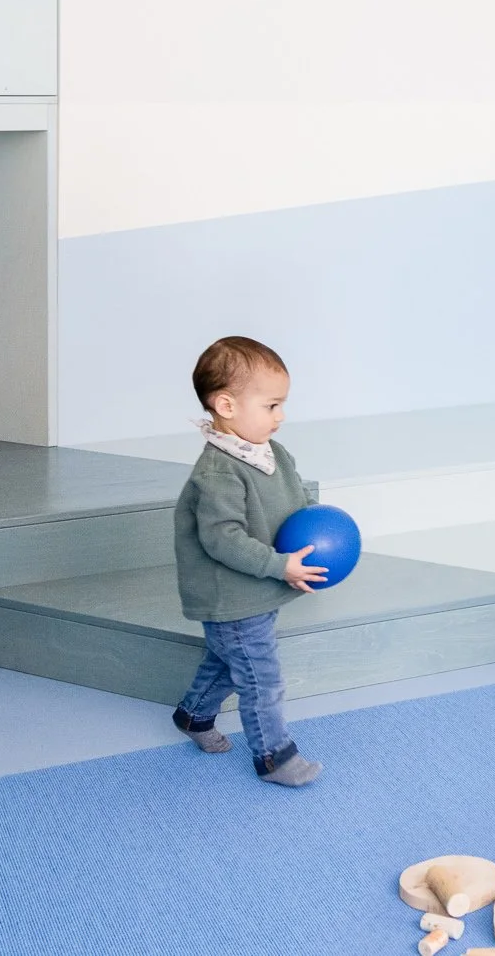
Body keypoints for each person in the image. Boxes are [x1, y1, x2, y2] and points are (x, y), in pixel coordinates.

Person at [169, 335, 326, 787]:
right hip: (231, 596)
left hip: (257, 589)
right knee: (261, 679)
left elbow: (297, 501)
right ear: (226, 405)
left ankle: (193, 715)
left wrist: (317, 530)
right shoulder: (219, 471)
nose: (281, 416)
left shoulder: (274, 454)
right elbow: (223, 539)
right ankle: (274, 757)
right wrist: (280, 566)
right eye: (271, 406)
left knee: (227, 661)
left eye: (282, 405)